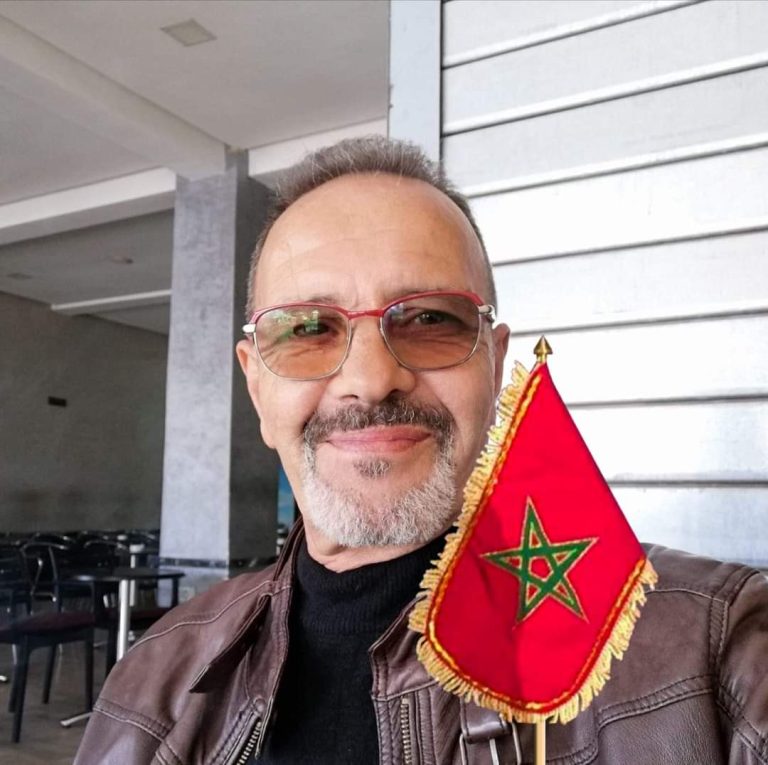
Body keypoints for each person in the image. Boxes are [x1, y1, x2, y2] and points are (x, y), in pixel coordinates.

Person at [75, 137, 768, 764]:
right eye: (309, 329)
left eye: (431, 319)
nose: (371, 378)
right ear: (256, 386)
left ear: (494, 366)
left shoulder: (716, 655)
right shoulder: (157, 677)